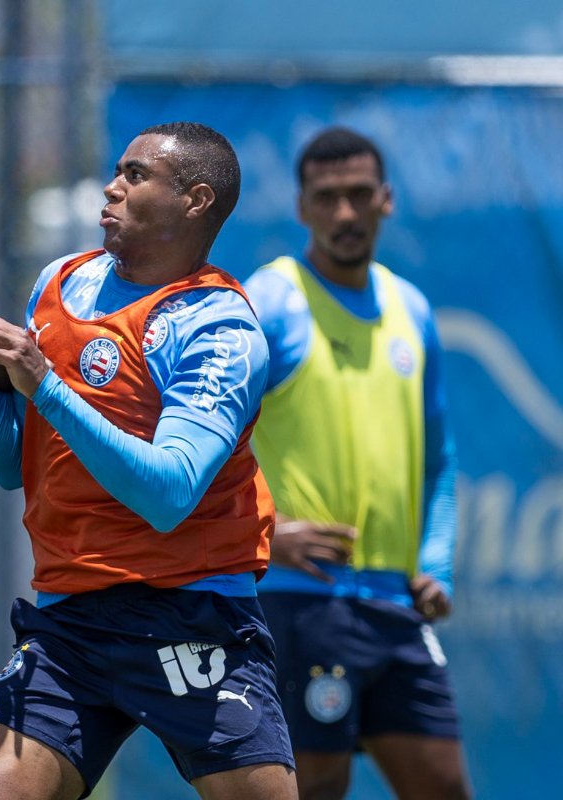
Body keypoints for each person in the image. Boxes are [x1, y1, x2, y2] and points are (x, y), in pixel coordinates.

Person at [0, 122, 297, 800]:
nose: (112, 186)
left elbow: (168, 494)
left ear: (195, 200)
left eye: (137, 175)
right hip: (71, 620)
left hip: (191, 613)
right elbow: (14, 461)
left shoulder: (218, 326)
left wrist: (46, 384)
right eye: (118, 170)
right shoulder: (61, 281)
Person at [244, 126, 471, 799]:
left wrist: (434, 565)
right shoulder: (272, 300)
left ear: (386, 201)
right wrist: (263, 533)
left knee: (445, 786)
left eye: (359, 195)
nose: (345, 213)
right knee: (315, 791)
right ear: (302, 207)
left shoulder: (412, 308)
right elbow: (206, 439)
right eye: (328, 198)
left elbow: (440, 460)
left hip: (396, 606)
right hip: (302, 604)